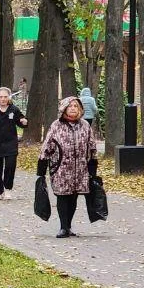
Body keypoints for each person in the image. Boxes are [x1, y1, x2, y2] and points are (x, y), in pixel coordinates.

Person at [38, 96, 98, 238]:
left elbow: (92, 147)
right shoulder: (56, 125)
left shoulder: (85, 125)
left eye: (76, 106)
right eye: (70, 106)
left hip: (80, 169)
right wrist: (41, 168)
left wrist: (93, 169)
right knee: (63, 197)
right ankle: (63, 227)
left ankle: (69, 226)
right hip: (61, 169)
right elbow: (47, 145)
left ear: (80, 109)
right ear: (64, 108)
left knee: (74, 197)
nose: (72, 108)